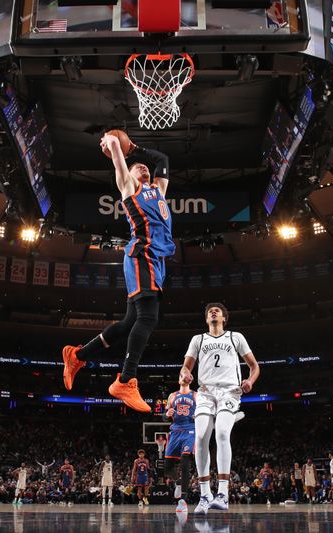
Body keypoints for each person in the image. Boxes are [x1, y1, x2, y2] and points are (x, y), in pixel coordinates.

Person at [62, 133, 174, 413]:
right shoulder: (128, 187)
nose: (143, 167)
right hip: (142, 253)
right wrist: (112, 142)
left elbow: (163, 159)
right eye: (137, 166)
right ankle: (125, 379)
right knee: (148, 317)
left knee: (129, 322)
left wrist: (136, 148)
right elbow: (116, 153)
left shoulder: (158, 191)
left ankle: (78, 356)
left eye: (144, 167)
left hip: (156, 259)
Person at [180, 303, 261, 514]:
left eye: (217, 311)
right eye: (210, 311)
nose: (213, 312)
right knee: (200, 438)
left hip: (229, 391)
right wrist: (185, 375)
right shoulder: (198, 339)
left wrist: (250, 381)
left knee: (223, 434)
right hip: (206, 392)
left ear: (224, 318)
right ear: (207, 319)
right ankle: (205, 495)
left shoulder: (236, 337)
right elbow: (185, 367)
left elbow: (254, 366)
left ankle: (223, 493)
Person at [164, 376, 196, 513]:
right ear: (178, 380)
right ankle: (177, 482)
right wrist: (166, 414)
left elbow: (204, 412)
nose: (184, 378)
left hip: (190, 429)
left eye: (186, 376)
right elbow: (164, 417)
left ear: (191, 379)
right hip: (175, 430)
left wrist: (198, 415)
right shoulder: (172, 395)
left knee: (185, 463)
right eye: (181, 376)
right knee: (167, 468)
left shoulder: (196, 395)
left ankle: (183, 500)